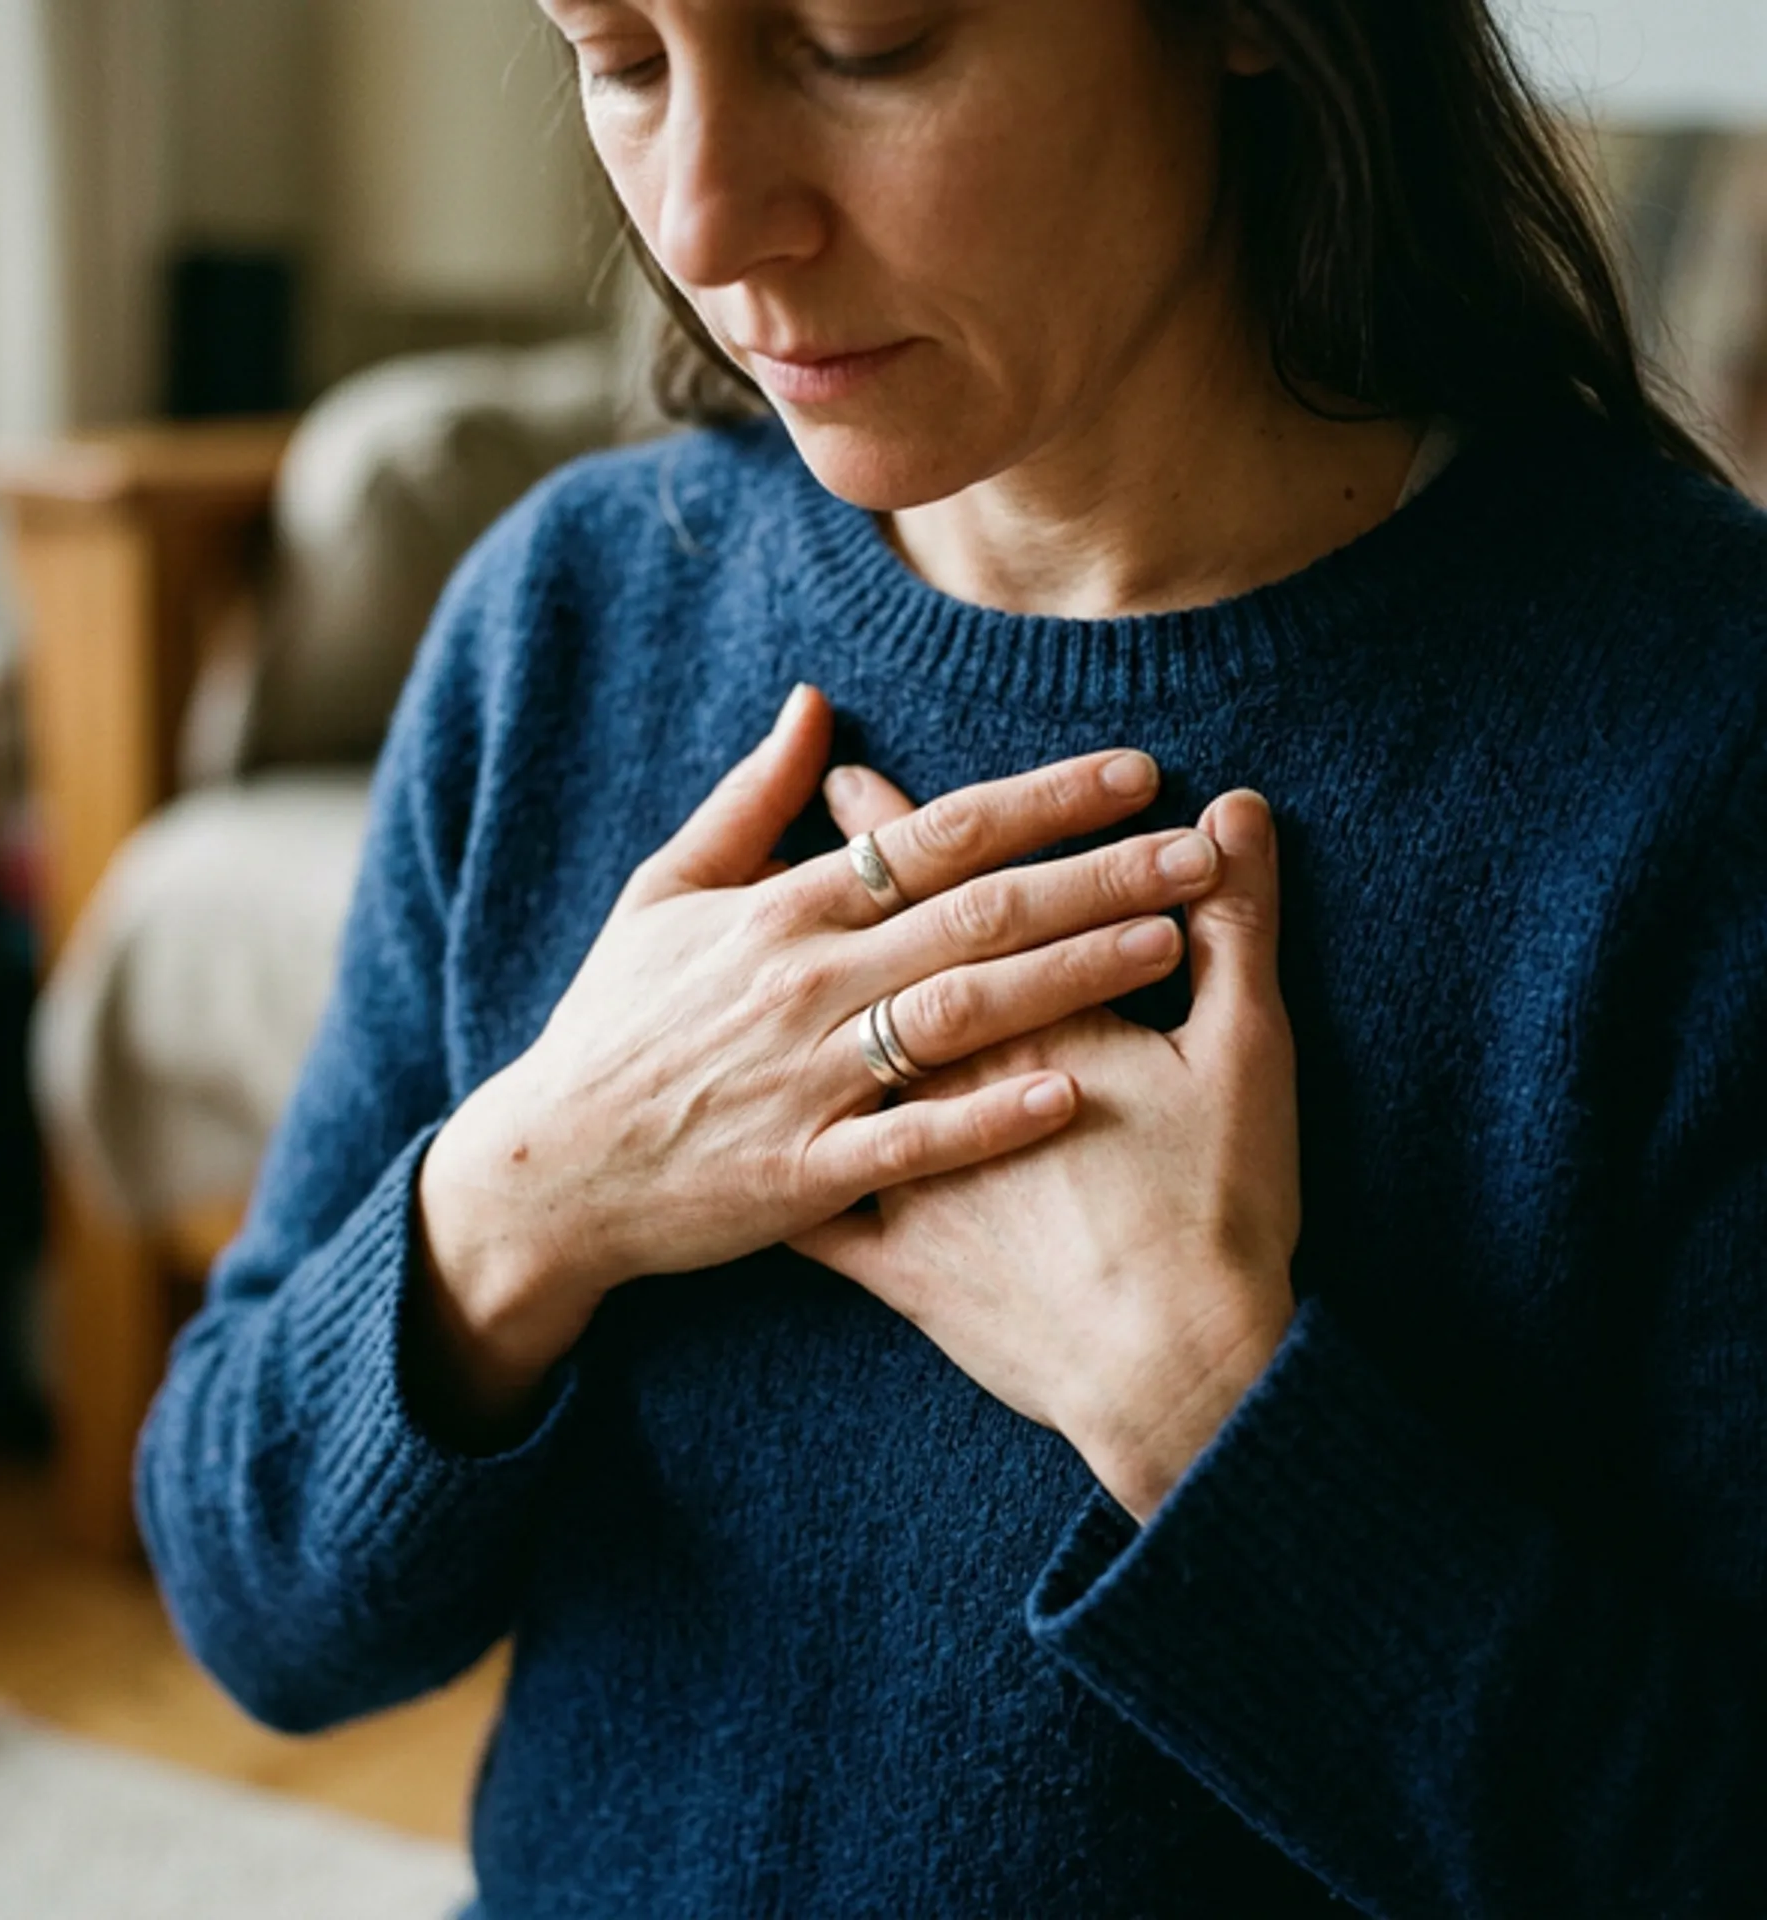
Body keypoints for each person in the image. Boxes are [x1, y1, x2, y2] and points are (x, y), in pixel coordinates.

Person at [136, 1, 1767, 1913]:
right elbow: (252, 1606)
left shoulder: (1698, 744)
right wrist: (531, 1195)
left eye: (864, 41)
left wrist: (1205, 1413)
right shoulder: (565, 618)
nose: (714, 220)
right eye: (625, 58)